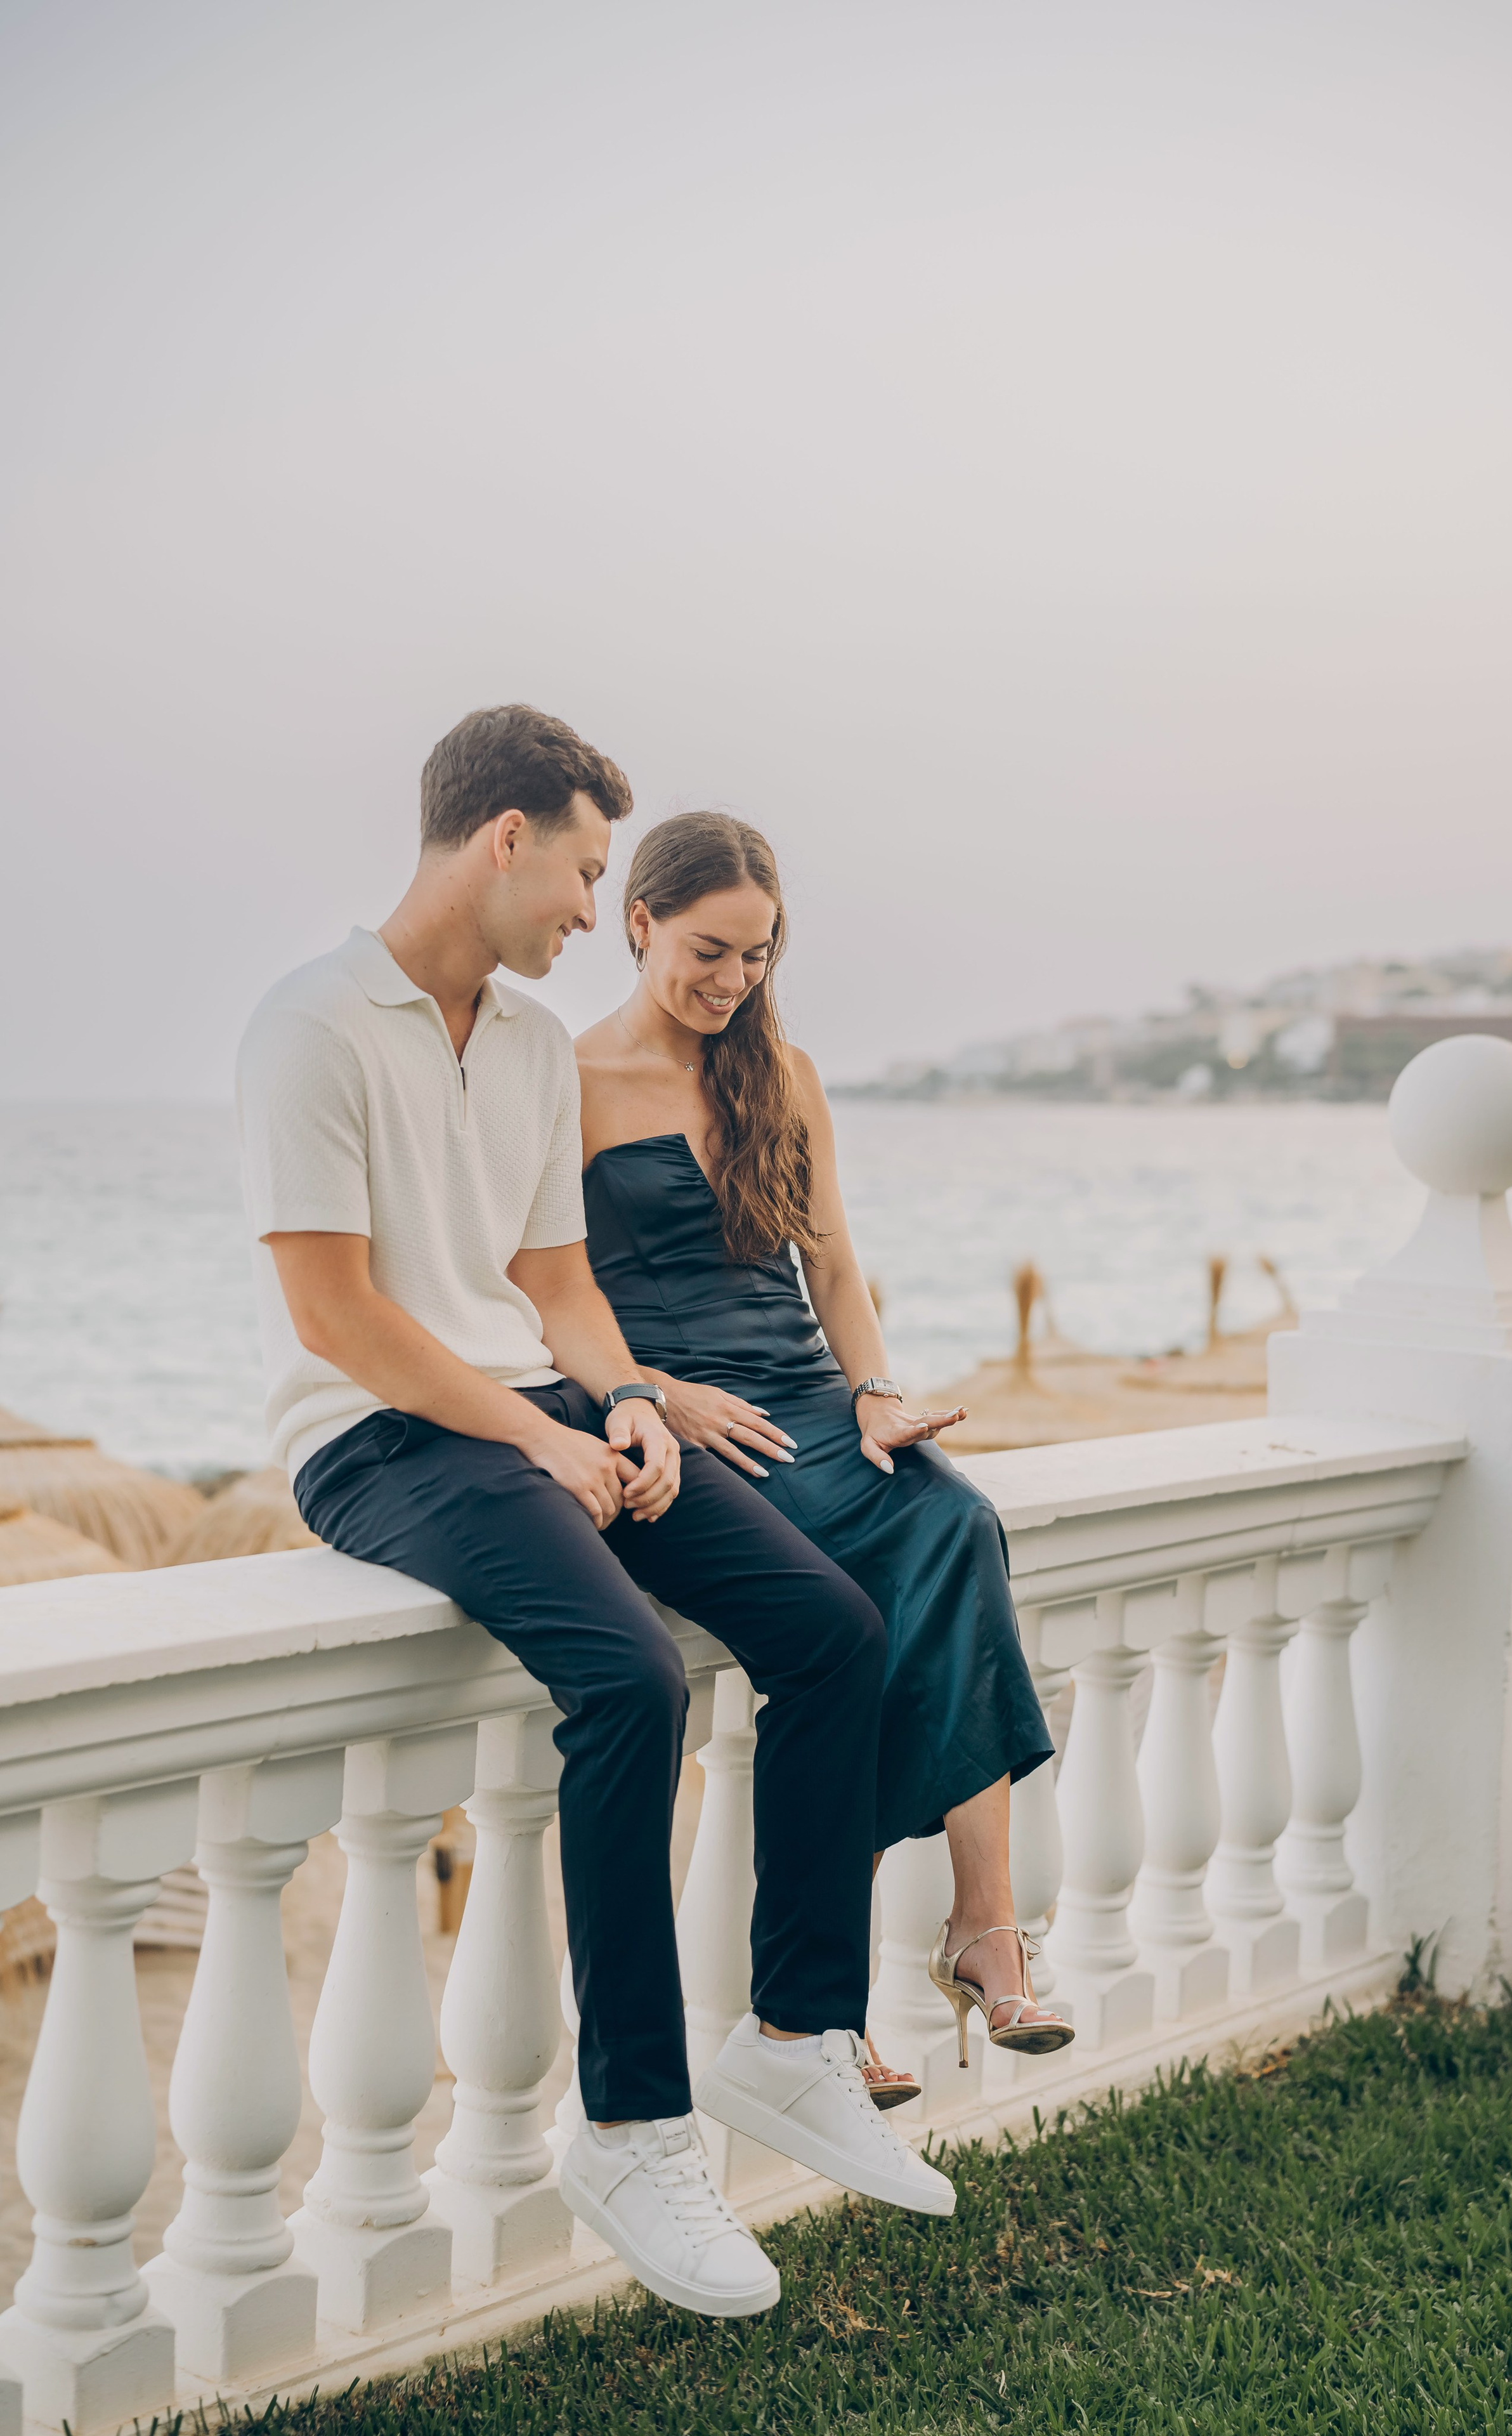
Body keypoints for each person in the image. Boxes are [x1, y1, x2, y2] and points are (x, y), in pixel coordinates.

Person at [235, 708, 953, 2324]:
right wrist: (539, 1438)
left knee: (832, 1634)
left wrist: (621, 1399)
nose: (586, 909)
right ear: (503, 837)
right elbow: (337, 1318)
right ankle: (630, 2129)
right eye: (575, 871)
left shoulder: (529, 1049)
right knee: (629, 1678)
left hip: (540, 1410)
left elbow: (553, 1282)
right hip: (381, 1441)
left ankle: (792, 2041)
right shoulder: (312, 1028)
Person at [575, 811, 1074, 2097]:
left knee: (952, 1523)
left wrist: (875, 1394)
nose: (732, 980)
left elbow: (836, 1267)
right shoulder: (562, 1084)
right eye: (707, 950)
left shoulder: (779, 1074)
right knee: (842, 1629)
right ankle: (825, 2013)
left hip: (805, 1393)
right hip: (680, 1410)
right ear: (636, 923)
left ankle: (984, 1929)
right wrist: (654, 1392)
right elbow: (536, 1288)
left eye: (756, 953)